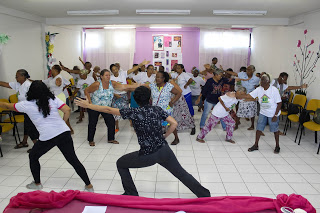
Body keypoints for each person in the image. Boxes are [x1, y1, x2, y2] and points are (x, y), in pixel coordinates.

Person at [75, 86, 210, 198]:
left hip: (148, 154)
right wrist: (164, 136)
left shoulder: (133, 112)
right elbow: (173, 123)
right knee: (181, 173)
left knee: (121, 163)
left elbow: (108, 109)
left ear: (135, 99)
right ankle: (204, 194)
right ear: (149, 98)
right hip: (164, 150)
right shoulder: (157, 109)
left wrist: (89, 105)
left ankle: (131, 193)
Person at [0, 81, 94, 191]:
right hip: (63, 133)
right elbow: (67, 110)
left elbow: (6, 105)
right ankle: (89, 186)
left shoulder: (26, 104)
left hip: (48, 137)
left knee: (33, 156)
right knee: (73, 159)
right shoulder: (52, 98)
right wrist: (63, 123)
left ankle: (37, 183)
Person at [84, 69, 143, 146]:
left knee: (111, 122)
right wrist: (90, 103)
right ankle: (90, 140)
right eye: (106, 75)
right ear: (101, 76)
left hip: (106, 108)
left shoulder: (112, 83)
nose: (108, 77)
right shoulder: (97, 84)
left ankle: (111, 139)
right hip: (95, 107)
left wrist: (135, 86)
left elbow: (123, 86)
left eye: (109, 75)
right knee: (92, 123)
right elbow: (86, 90)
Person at [237, 74, 282, 154]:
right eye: (261, 80)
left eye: (262, 80)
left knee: (275, 130)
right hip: (263, 113)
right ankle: (256, 145)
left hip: (272, 113)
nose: (260, 82)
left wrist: (275, 115)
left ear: (267, 81)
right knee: (258, 129)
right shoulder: (259, 89)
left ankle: (277, 146)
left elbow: (279, 103)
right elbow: (249, 95)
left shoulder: (274, 90)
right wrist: (239, 95)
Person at [0, 69, 39, 149]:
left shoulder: (28, 85)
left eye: (17, 76)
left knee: (30, 126)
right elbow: (7, 85)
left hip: (30, 108)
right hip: (22, 108)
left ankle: (36, 145)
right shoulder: (19, 84)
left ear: (23, 76)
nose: (16, 78)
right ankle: (25, 142)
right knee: (27, 125)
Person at [110, 60, 150, 132]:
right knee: (115, 112)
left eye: (116, 69)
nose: (115, 71)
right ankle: (117, 127)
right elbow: (109, 89)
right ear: (111, 71)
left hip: (123, 95)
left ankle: (133, 124)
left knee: (127, 111)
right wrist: (115, 94)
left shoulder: (123, 74)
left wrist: (141, 64)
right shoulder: (111, 78)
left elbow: (132, 70)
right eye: (113, 70)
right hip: (115, 97)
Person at [147, 71, 182, 145]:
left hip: (166, 110)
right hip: (155, 109)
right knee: (156, 125)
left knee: (170, 124)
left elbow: (178, 93)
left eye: (159, 77)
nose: (157, 78)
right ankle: (158, 139)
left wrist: (172, 102)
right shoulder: (152, 86)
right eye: (156, 77)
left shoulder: (169, 86)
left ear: (163, 78)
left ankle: (176, 138)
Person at [224, 65, 260, 130]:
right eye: (247, 69)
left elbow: (257, 86)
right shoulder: (242, 74)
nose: (247, 71)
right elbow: (234, 73)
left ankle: (252, 125)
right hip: (242, 95)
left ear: (253, 71)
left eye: (249, 70)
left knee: (252, 111)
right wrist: (224, 71)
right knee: (239, 111)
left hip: (251, 97)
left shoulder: (256, 79)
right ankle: (236, 125)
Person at [42, 65, 74, 134]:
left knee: (61, 114)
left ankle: (66, 130)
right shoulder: (53, 78)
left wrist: (60, 86)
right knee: (58, 114)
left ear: (55, 70)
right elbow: (44, 82)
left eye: (52, 69)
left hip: (59, 97)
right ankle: (64, 130)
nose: (51, 70)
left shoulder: (59, 77)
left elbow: (62, 83)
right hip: (55, 97)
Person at [173, 64, 196, 135]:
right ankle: (183, 122)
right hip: (180, 94)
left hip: (186, 93)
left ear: (182, 69)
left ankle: (192, 121)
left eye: (179, 68)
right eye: (176, 68)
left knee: (188, 107)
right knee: (181, 109)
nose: (177, 69)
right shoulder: (176, 75)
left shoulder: (184, 74)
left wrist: (186, 85)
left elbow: (191, 80)